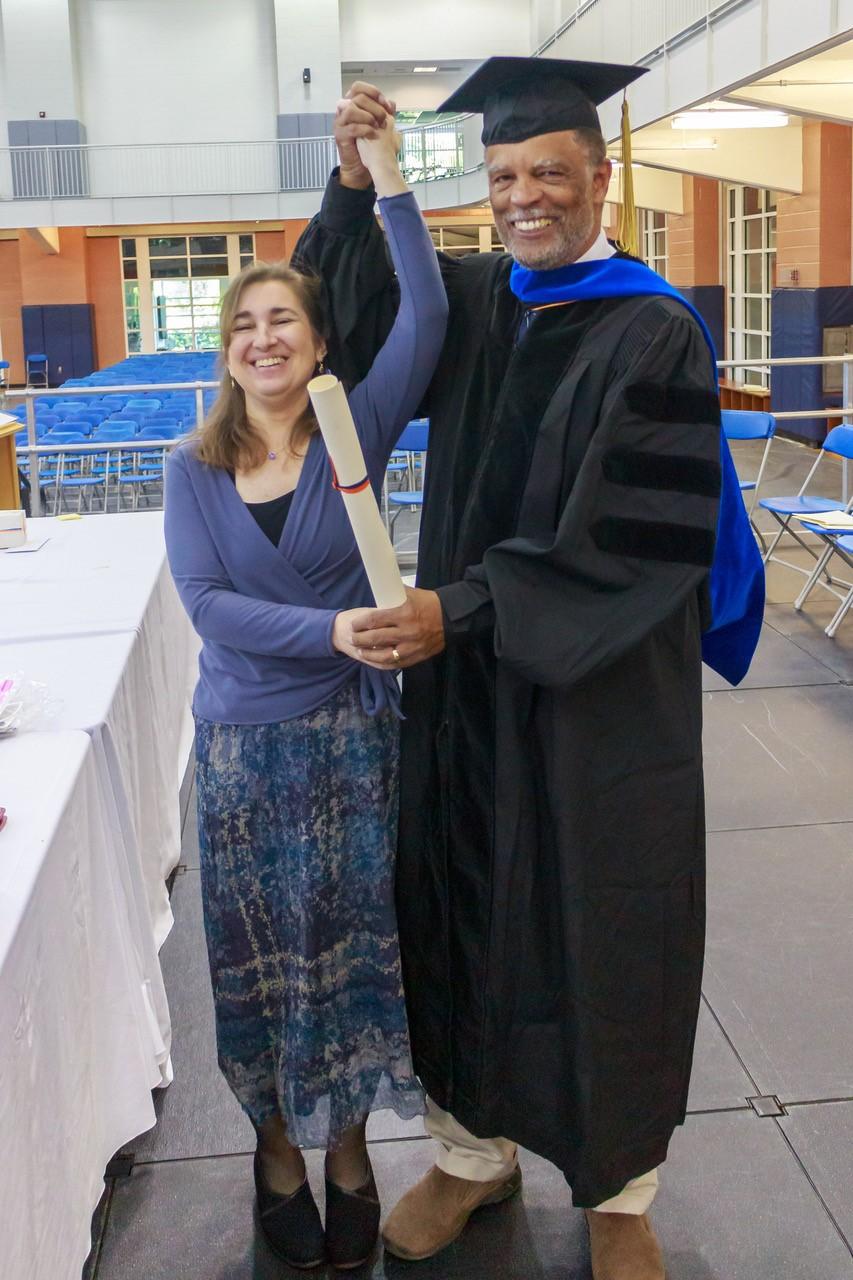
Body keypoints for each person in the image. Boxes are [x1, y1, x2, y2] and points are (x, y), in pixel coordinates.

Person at [294, 57, 764, 1280]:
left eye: (549, 171)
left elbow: (629, 538)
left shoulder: (652, 327)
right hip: (467, 688)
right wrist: (351, 188)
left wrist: (466, 605)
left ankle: (619, 1188)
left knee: (608, 920)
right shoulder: (476, 302)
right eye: (503, 175)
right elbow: (344, 318)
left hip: (600, 695)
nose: (523, 196)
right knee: (460, 908)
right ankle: (470, 1150)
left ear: (599, 178)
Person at [163, 121, 447, 1271]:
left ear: (318, 339)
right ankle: (272, 1141)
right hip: (241, 755)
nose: (262, 335)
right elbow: (209, 603)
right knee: (260, 957)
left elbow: (424, 314)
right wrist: (331, 627)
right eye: (244, 322)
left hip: (347, 746)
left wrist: (388, 182)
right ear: (228, 351)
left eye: (283, 318)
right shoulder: (194, 467)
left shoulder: (352, 425)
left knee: (345, 951)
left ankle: (343, 1147)